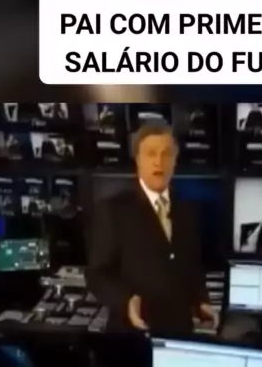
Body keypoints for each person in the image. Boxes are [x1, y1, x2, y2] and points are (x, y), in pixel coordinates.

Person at [86, 125, 216, 334]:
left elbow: (193, 268)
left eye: (166, 154)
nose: (159, 161)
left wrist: (202, 301)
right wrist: (126, 301)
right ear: (138, 160)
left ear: (175, 161)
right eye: (151, 154)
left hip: (179, 333)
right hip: (131, 335)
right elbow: (97, 274)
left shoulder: (188, 209)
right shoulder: (114, 209)